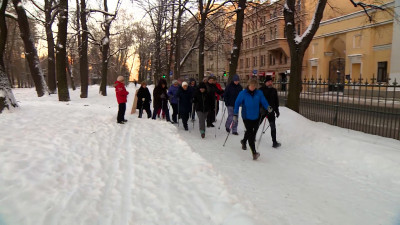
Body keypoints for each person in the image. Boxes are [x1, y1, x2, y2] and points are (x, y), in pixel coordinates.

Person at [234, 79, 271, 160]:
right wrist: (235, 113)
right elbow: (237, 103)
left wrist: (268, 107)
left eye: (254, 86)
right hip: (246, 116)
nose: (253, 87)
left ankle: (244, 141)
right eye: (251, 86)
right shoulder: (243, 93)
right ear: (248, 85)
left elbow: (264, 101)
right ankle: (254, 153)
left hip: (256, 116)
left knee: (251, 131)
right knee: (251, 133)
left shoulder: (259, 93)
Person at [259, 76, 281, 148]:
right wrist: (260, 108)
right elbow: (257, 101)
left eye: (271, 81)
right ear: (265, 82)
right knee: (257, 125)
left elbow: (276, 101)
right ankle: (251, 137)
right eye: (268, 82)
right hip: (262, 111)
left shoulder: (274, 90)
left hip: (271, 112)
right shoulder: (261, 90)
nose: (270, 83)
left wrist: (277, 111)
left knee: (273, 127)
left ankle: (274, 142)